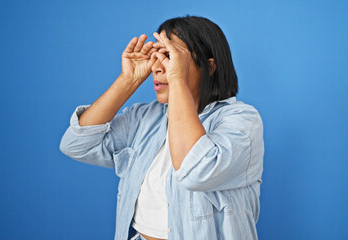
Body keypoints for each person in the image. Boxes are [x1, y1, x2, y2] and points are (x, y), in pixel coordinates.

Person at [59, 15, 264, 240]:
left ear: (209, 66)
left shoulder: (242, 121)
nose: (156, 67)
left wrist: (177, 79)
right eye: (155, 55)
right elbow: (75, 145)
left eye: (168, 55)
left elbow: (196, 173)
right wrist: (128, 80)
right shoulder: (144, 117)